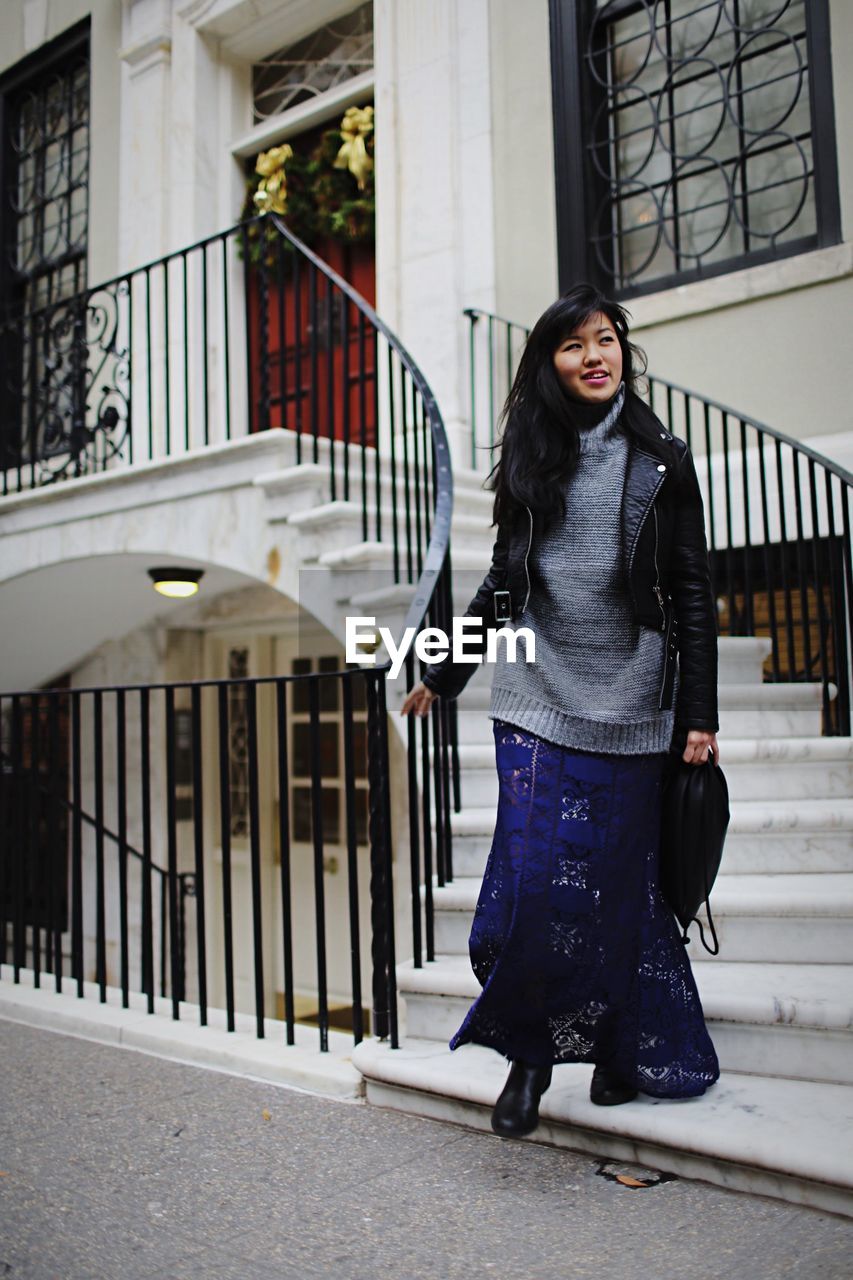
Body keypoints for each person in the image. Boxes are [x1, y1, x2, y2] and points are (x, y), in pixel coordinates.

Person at [400, 284, 721, 1138]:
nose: (594, 355)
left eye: (606, 338)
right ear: (549, 362)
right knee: (540, 875)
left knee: (621, 882)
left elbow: (690, 587)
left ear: (623, 350)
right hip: (537, 688)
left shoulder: (663, 458)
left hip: (634, 691)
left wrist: (697, 711)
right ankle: (531, 1058)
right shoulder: (529, 457)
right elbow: (504, 582)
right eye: (574, 344)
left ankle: (617, 1041)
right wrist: (449, 668)